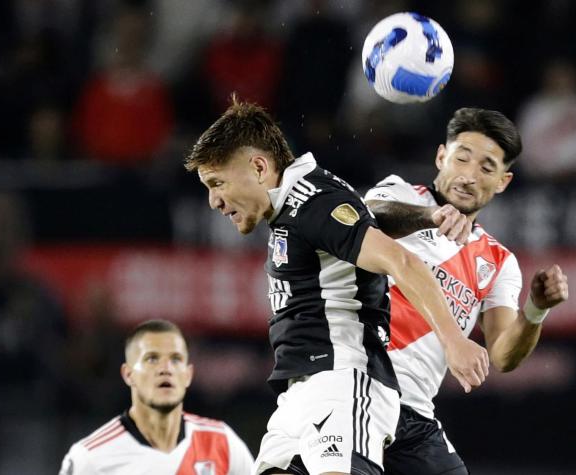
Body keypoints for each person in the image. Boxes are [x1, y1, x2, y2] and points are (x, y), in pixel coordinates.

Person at [184, 97, 488, 475]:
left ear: (259, 167)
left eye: (217, 183)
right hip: (300, 396)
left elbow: (402, 261)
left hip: (343, 382)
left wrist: (454, 340)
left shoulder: (315, 203)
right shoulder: (293, 208)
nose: (213, 200)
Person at [363, 107, 570, 474]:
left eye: (487, 168)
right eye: (462, 158)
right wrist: (431, 217)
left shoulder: (499, 262)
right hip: (358, 387)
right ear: (442, 157)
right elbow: (369, 215)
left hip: (414, 415)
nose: (470, 175)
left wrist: (536, 309)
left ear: (503, 182)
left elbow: (504, 356)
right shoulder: (400, 194)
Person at [58, 319, 255, 474]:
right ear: (128, 374)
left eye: (175, 359)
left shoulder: (223, 443)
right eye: (152, 359)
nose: (165, 369)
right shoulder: (91, 457)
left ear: (188, 375)